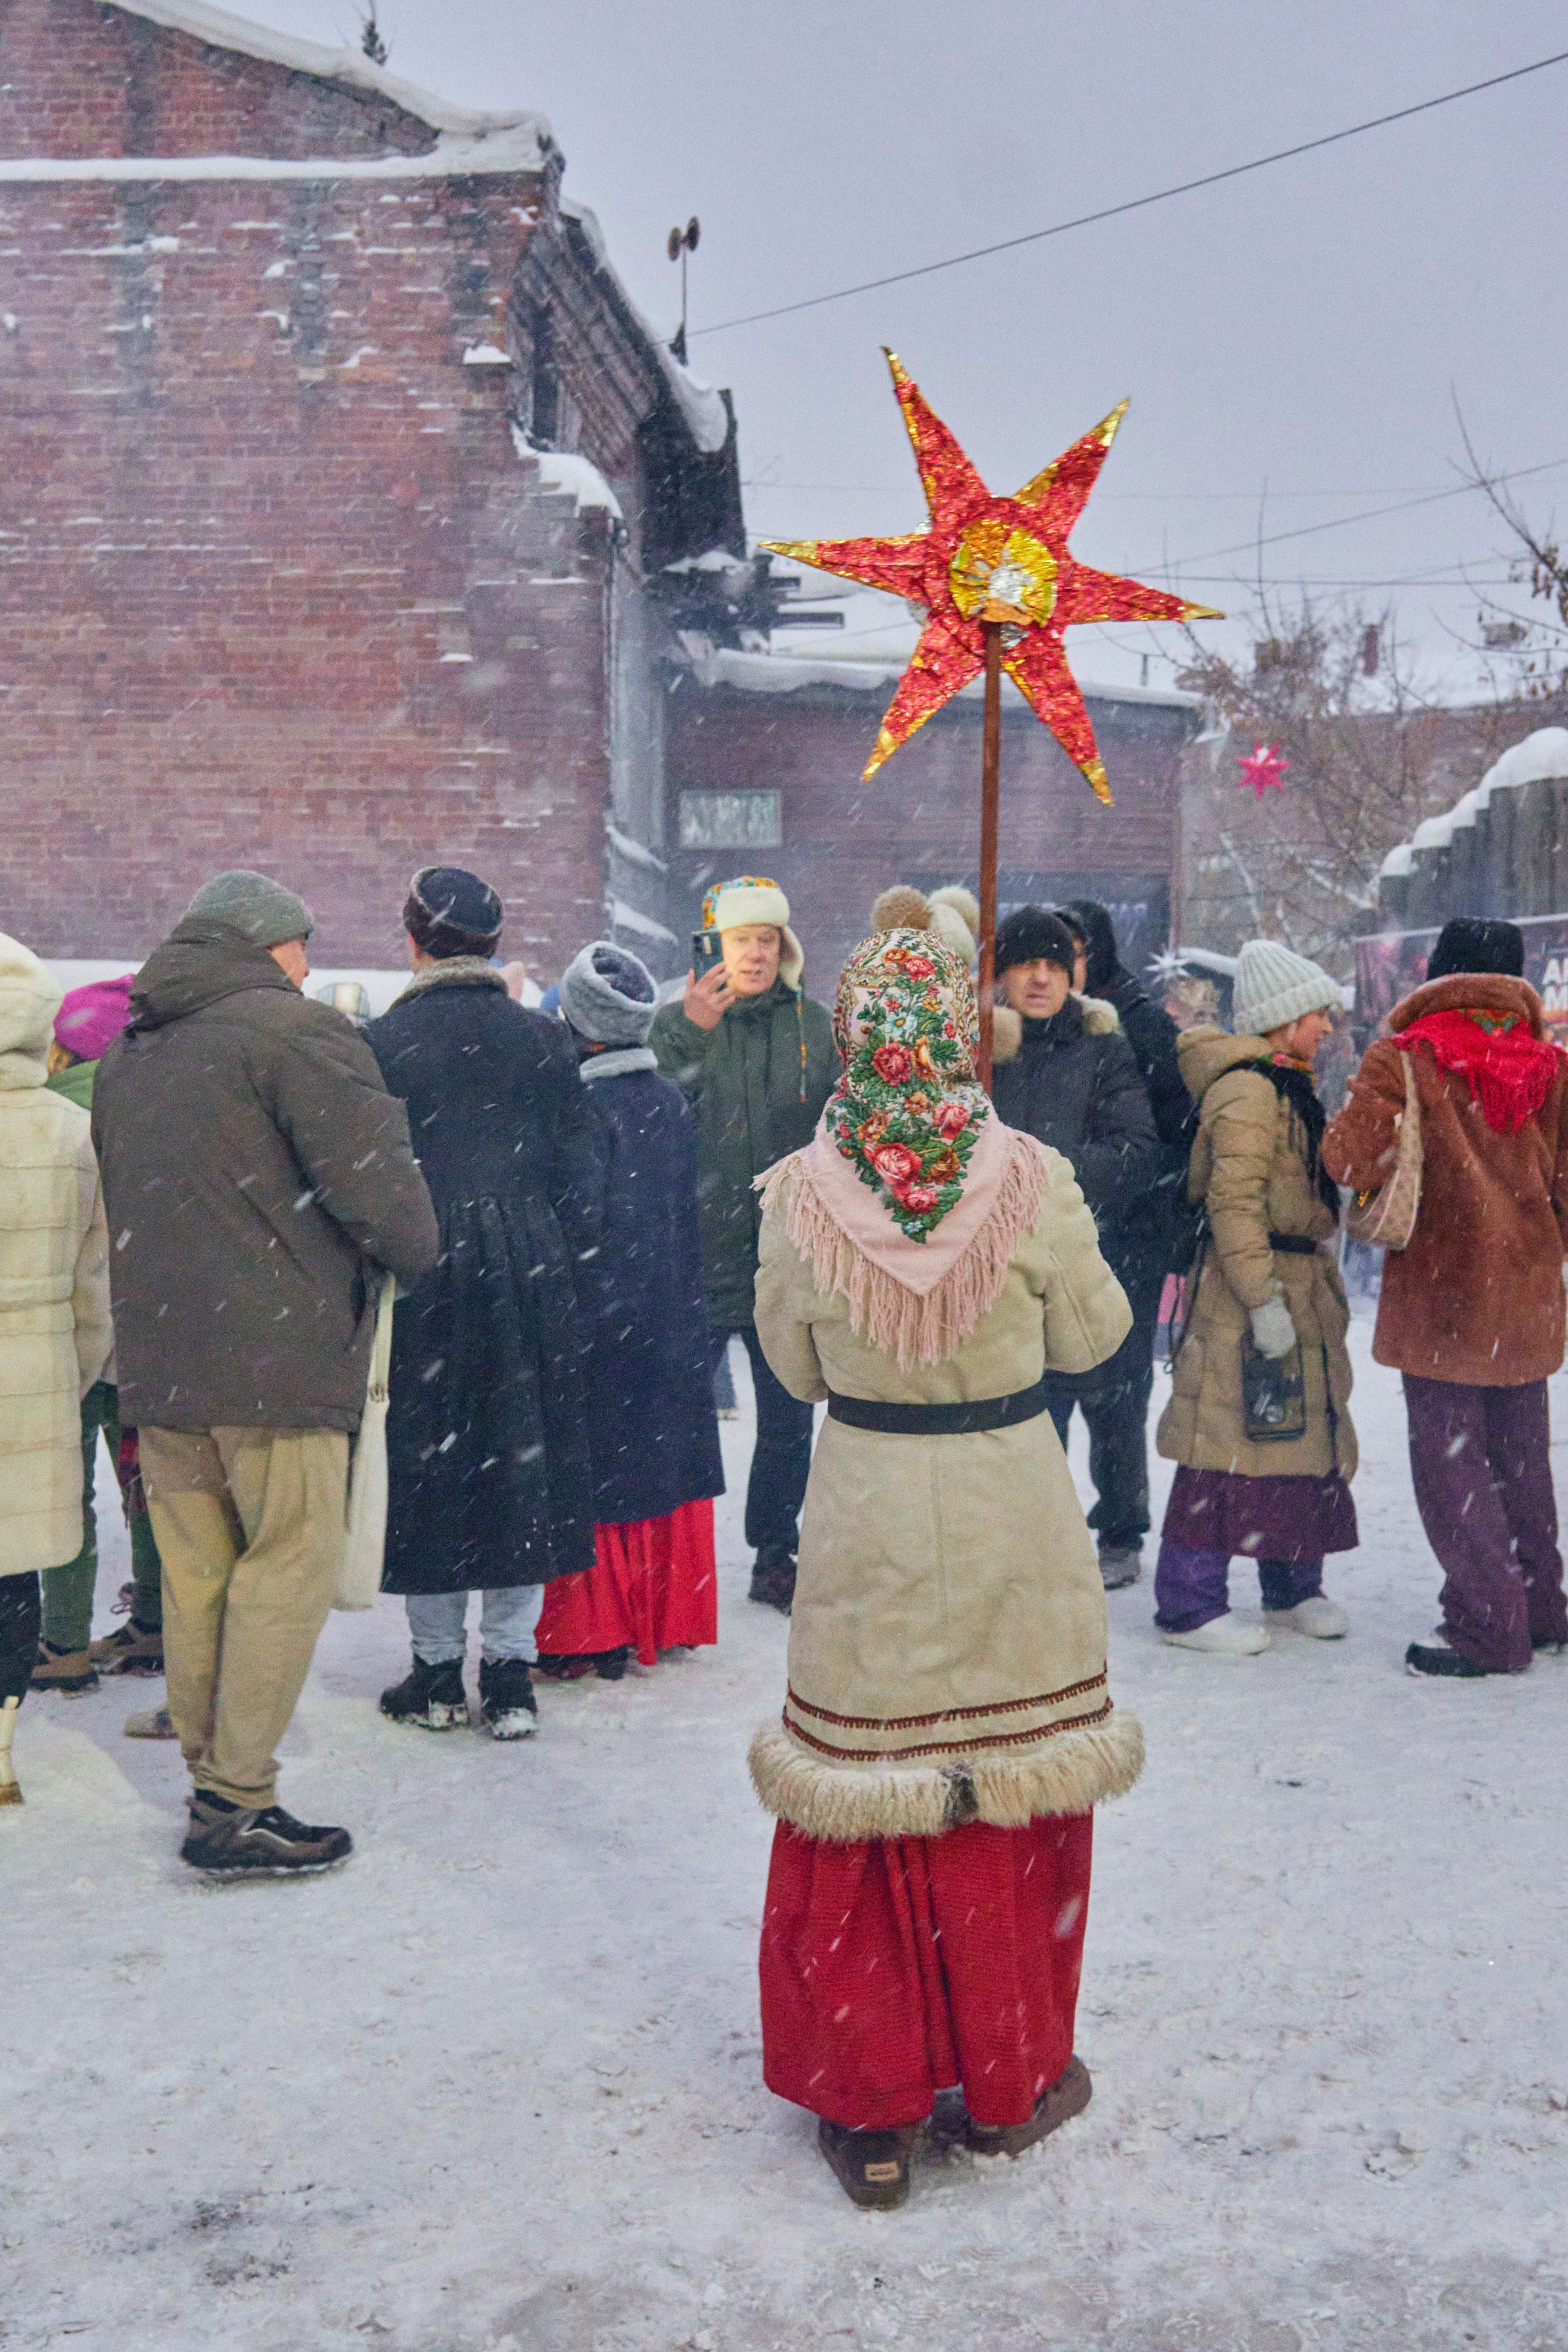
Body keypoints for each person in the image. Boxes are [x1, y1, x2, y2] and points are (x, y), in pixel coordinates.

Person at [748, 928, 1141, 2210]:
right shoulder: (1031, 1176)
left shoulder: (799, 1194)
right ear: (960, 1037)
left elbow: (794, 1372)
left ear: (851, 1040)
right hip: (1007, 1510)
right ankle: (1005, 2078)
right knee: (1001, 1791)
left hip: (866, 1507)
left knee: (869, 1790)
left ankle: (871, 2112)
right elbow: (1093, 1335)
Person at [92, 871, 439, 1874]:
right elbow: (384, 1197)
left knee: (197, 1574)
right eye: (302, 943)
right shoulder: (296, 1035)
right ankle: (236, 1798)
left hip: (162, 1359)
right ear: (263, 945)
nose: (310, 962)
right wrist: (416, 1254)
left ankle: (216, 1780)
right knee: (286, 1567)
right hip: (277, 1361)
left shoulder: (130, 1050)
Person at [369, 867, 600, 1741]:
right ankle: (509, 1675)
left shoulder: (384, 1042)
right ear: (494, 943)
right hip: (529, 1271)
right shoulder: (542, 1041)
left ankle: (432, 1674)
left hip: (421, 1272)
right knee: (520, 1462)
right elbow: (585, 1177)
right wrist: (560, 1256)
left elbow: (368, 1174)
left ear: (415, 939)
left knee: (425, 1465)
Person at [1324, 916, 1568, 1677]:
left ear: (1436, 971)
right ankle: (1542, 1605)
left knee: (1452, 1467)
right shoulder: (1553, 1066)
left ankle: (1490, 1627)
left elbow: (1347, 1157)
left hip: (1441, 1296)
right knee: (1522, 1458)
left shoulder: (1404, 1058)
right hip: (1525, 1295)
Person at [1154, 940, 1357, 1655]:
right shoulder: (1248, 1090)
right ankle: (1189, 1603)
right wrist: (1261, 1297)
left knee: (1298, 1438)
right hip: (1252, 1288)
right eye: (1316, 1014)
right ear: (1282, 1018)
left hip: (1295, 1282)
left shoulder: (1288, 1084)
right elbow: (1233, 1203)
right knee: (1222, 1442)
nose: (1327, 1027)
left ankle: (1292, 1587)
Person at [534, 942, 725, 1679]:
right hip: (670, 1314)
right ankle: (662, 1617)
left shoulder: (577, 1108)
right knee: (660, 1470)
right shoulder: (670, 1100)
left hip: (599, 1320)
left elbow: (579, 1221)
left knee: (603, 1478)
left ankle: (596, 1630)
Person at [650, 876, 837, 1615]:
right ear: (712, 948)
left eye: (766, 940)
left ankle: (774, 1551)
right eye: (739, 941)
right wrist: (689, 1031)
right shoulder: (675, 1023)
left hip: (786, 1257)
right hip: (695, 1254)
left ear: (784, 947)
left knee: (788, 1417)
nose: (754, 954)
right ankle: (669, 1556)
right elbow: (654, 1110)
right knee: (670, 1415)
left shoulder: (816, 1027)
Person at [990, 908, 1161, 1588]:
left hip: (1095, 1254)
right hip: (1003, 1264)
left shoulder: (1104, 1049)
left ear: (1072, 977)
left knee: (1112, 1401)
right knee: (1025, 1407)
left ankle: (1120, 1530)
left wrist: (1042, 1172)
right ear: (1001, 974)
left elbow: (1133, 1152)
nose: (1039, 978)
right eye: (1025, 964)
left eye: (1053, 966)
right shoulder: (978, 1051)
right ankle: (1034, 1532)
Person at [29, 973, 166, 1697]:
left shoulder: (51, 1114)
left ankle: (62, 1640)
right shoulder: (157, 1109)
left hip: (71, 1329)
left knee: (65, 1491)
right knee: (144, 1481)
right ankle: (153, 1620)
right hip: (148, 1329)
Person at [0, 936, 114, 1809]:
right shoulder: (74, 1130)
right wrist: (75, 1374)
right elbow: (95, 1283)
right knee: (13, 1571)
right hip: (35, 1369)